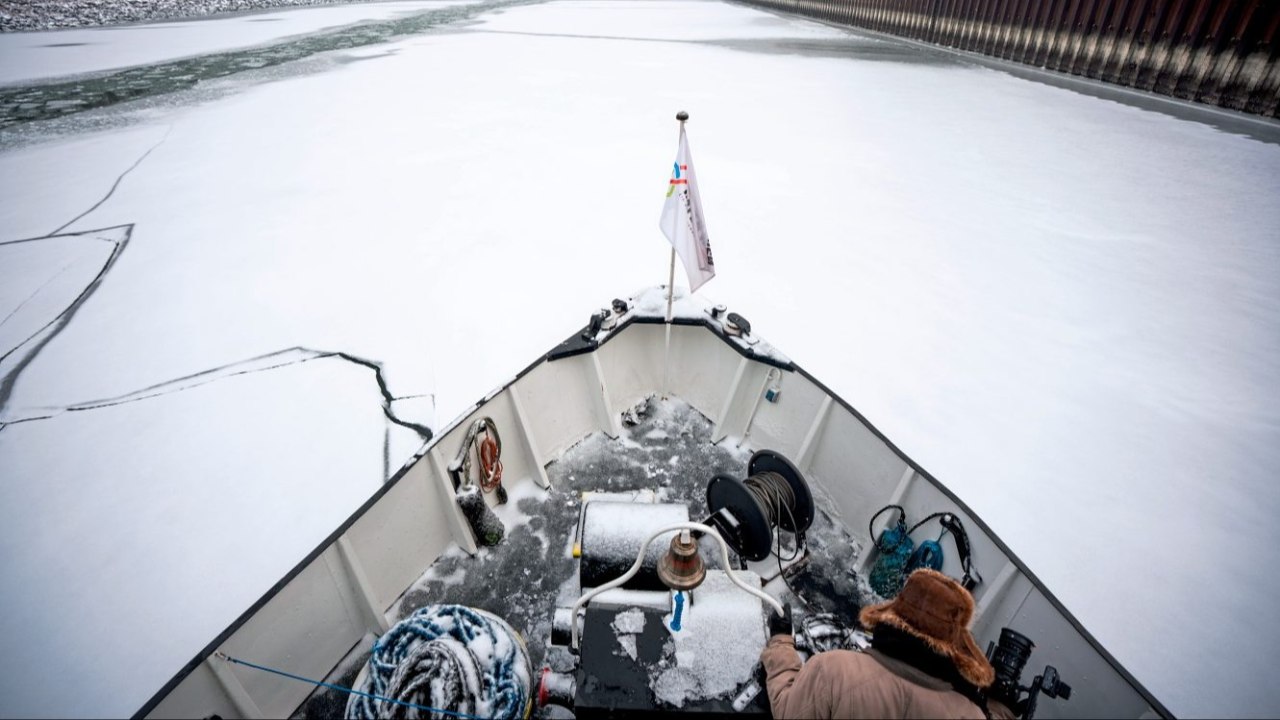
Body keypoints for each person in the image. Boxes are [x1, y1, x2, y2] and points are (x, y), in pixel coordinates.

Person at [761, 568, 1000, 719]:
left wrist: (781, 641)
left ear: (893, 613)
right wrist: (1002, 710)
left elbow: (787, 711)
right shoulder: (971, 714)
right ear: (956, 641)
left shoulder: (833, 670)